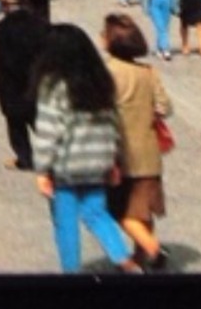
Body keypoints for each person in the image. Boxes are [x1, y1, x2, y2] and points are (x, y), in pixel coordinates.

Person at [30, 24, 142, 275]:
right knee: (96, 214)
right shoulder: (101, 82)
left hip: (66, 165)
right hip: (98, 162)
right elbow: (113, 125)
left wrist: (42, 170)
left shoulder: (54, 86)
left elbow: (49, 131)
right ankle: (125, 260)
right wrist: (114, 161)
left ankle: (71, 272)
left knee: (65, 222)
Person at [102, 13, 174, 271]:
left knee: (117, 210)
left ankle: (153, 249)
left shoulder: (106, 73)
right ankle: (140, 259)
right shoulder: (148, 72)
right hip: (149, 152)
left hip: (121, 155)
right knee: (143, 211)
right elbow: (165, 107)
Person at [0, 0, 48, 171]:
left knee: (16, 125)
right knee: (40, 121)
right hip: (37, 78)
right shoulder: (40, 23)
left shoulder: (1, 28)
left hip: (11, 81)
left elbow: (3, 56)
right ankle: (53, 154)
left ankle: (25, 158)